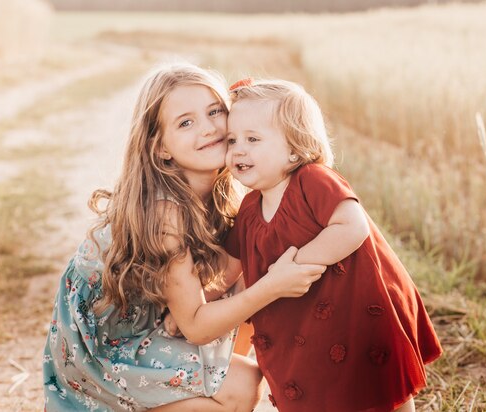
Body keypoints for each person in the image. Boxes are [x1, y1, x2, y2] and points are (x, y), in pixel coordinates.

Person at [42, 63, 326, 412]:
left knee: (251, 272)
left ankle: (201, 383)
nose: (208, 129)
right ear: (161, 147)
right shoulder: (164, 213)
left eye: (214, 112)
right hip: (105, 351)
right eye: (186, 123)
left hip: (152, 323)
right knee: (243, 385)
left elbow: (222, 280)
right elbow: (195, 325)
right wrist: (272, 285)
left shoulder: (222, 194)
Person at [224, 78, 443, 412]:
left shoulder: (312, 180)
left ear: (295, 148)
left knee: (379, 385)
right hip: (303, 324)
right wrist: (196, 304)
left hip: (357, 310)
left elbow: (352, 227)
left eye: (253, 139)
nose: (238, 149)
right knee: (320, 388)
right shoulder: (250, 208)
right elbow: (230, 269)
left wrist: (295, 265)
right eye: (232, 140)